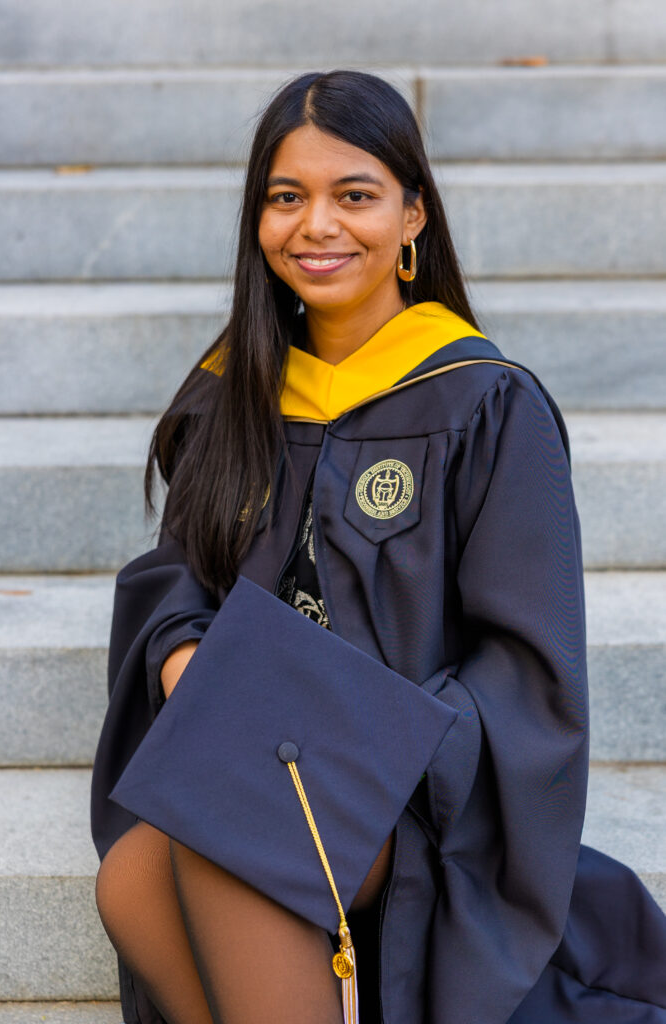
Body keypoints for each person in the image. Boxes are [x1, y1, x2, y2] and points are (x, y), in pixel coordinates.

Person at [91, 71, 666, 1024]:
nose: (316, 225)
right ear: (257, 220)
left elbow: (525, 667)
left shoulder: (484, 406)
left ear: (412, 218)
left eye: (353, 195)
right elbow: (177, 573)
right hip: (255, 753)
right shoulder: (230, 393)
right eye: (286, 198)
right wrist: (183, 651)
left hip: (408, 784)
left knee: (229, 830)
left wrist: (362, 739)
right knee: (134, 875)